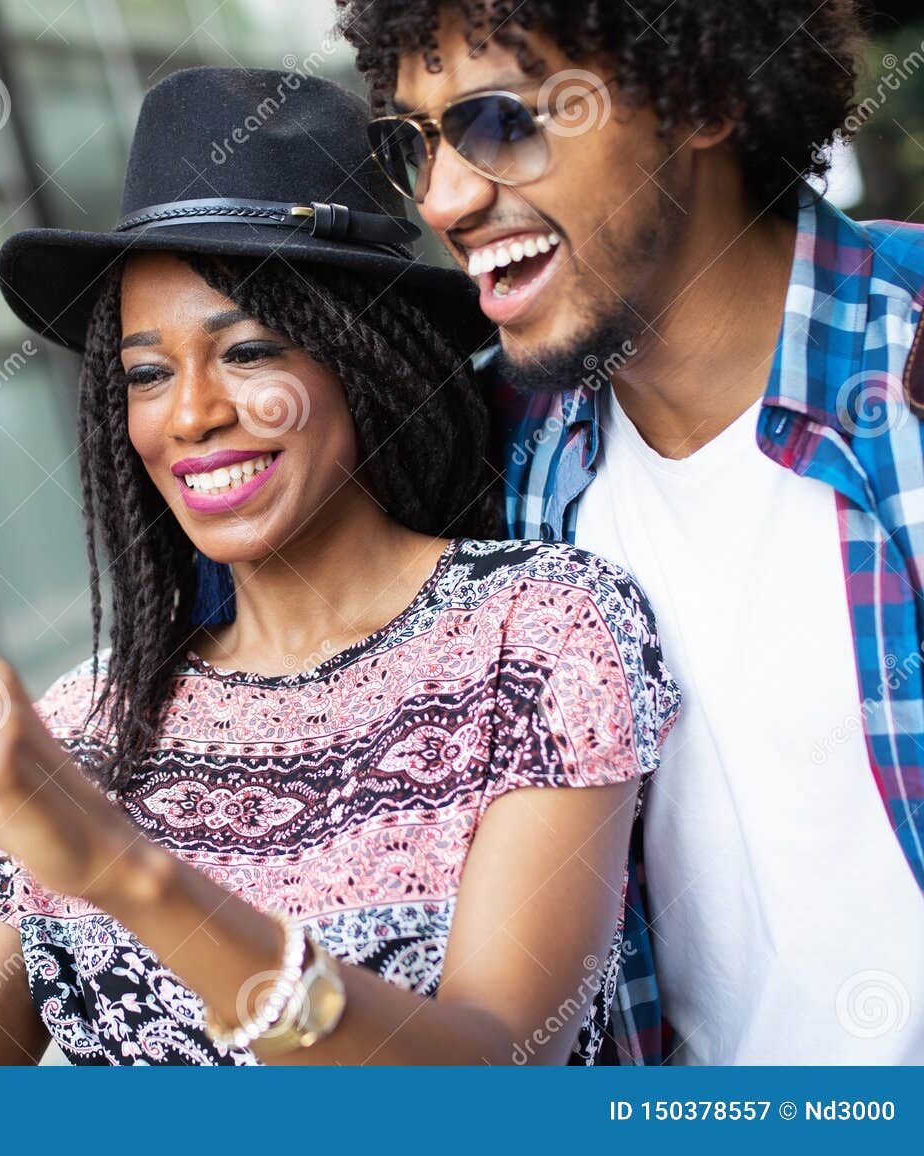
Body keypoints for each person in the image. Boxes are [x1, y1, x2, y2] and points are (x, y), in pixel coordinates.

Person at [0, 66, 676, 1066]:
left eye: (247, 353)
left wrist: (122, 868)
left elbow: (492, 1072)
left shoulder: (539, 631)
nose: (189, 414)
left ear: (366, 358)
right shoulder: (82, 731)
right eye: (146, 373)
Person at [338, 0, 924, 1063]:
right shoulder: (485, 467)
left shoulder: (908, 357)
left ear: (700, 94)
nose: (447, 197)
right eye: (408, 145)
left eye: (499, 122)